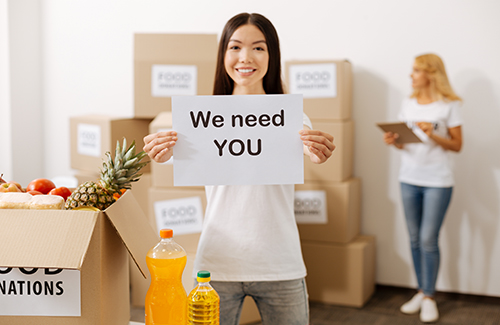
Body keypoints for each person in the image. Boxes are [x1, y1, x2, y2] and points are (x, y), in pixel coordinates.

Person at [143, 12, 335, 325]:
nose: (245, 57)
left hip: (279, 263)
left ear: (272, 56)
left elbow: (307, 150)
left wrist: (317, 152)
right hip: (216, 265)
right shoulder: (199, 119)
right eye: (235, 47)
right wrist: (160, 151)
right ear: (223, 55)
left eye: (258, 48)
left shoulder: (292, 118)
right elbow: (172, 155)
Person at [383, 53, 463, 323]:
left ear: (431, 73)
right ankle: (420, 290)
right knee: (415, 239)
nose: (411, 75)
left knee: (429, 240)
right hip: (409, 178)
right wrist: (395, 140)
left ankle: (429, 296)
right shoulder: (408, 103)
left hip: (437, 181)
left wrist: (433, 134)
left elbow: (457, 145)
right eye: (412, 70)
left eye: (417, 70)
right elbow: (405, 143)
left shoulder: (449, 105)